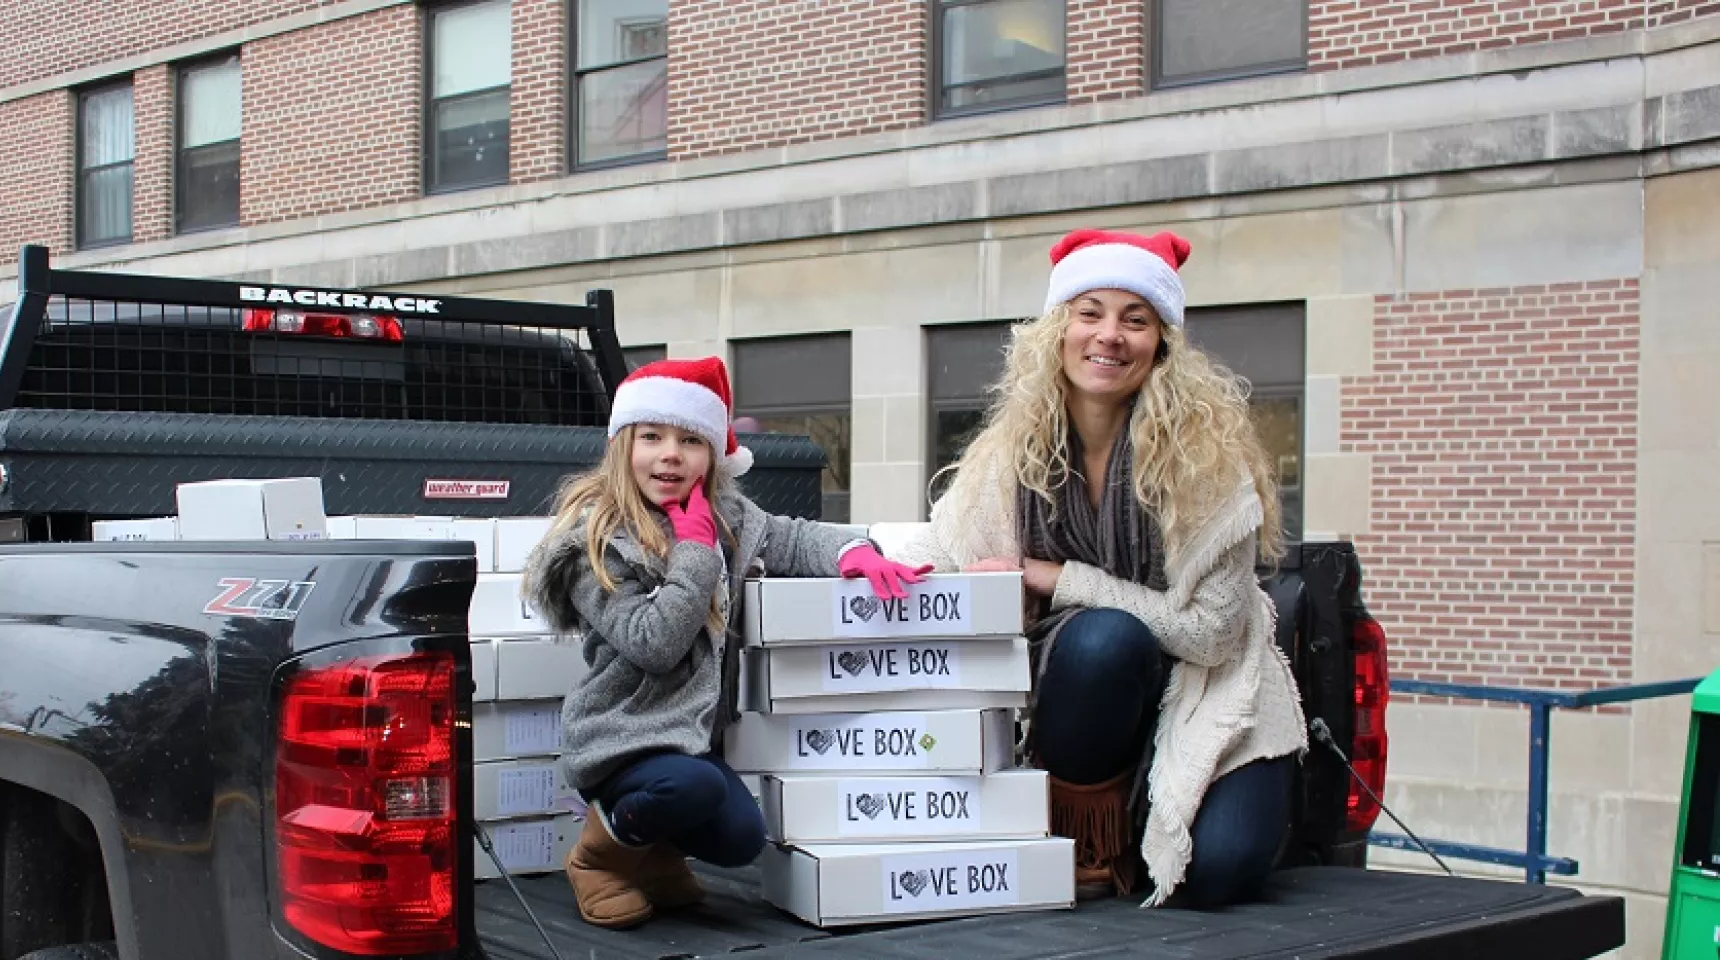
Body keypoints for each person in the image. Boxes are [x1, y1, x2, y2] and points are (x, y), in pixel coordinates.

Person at [890, 229, 1306, 909]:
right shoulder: (1010, 453)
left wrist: (1061, 579)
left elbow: (1212, 637)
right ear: (1058, 329)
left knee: (1217, 876)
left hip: (1208, 686)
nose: (1109, 336)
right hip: (1083, 690)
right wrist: (858, 569)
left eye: (1134, 319)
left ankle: (1179, 805)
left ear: (1161, 342)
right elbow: (941, 551)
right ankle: (1090, 825)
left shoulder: (1207, 462)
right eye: (1090, 313)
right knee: (1102, 639)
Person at [523, 356, 931, 929]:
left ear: (713, 454)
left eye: (690, 439)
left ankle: (655, 852)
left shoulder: (726, 514)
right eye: (652, 437)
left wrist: (854, 553)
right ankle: (598, 856)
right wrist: (694, 553)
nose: (671, 453)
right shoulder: (593, 543)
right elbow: (655, 642)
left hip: (693, 744)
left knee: (741, 837)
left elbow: (792, 536)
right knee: (687, 785)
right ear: (622, 446)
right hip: (621, 739)